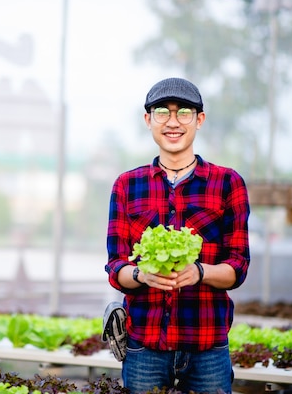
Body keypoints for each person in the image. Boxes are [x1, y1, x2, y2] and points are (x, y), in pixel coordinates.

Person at [103, 77, 250, 394]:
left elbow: (237, 268)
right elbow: (116, 268)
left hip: (207, 347)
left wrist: (199, 272)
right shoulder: (127, 185)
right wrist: (143, 274)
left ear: (200, 120)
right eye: (162, 112)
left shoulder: (227, 183)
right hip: (145, 347)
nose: (173, 122)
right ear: (148, 120)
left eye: (184, 112)